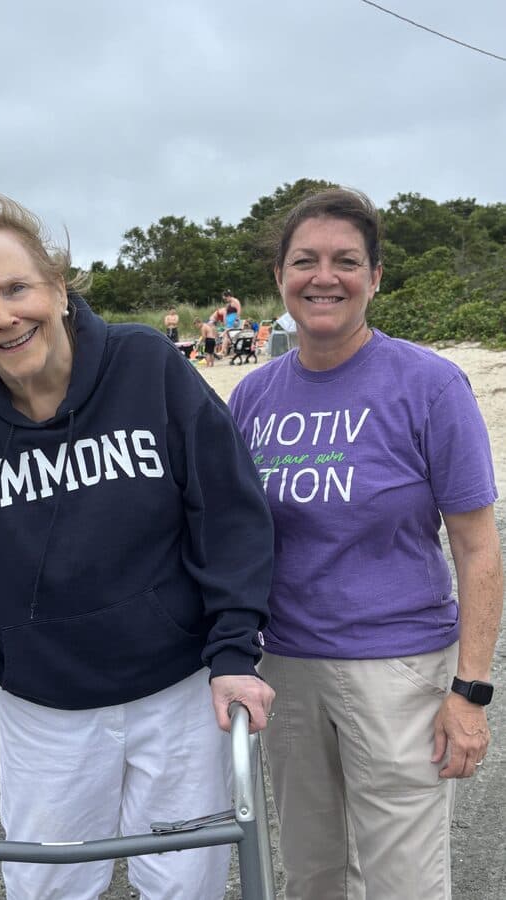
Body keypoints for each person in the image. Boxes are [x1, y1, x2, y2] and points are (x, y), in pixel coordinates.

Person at [0, 192, 276, 900]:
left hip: (179, 688)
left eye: (16, 288)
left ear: (58, 288)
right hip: (41, 706)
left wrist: (232, 650)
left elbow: (227, 514)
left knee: (185, 883)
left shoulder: (147, 367)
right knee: (48, 887)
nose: (3, 316)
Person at [228, 187, 503, 900]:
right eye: (305, 261)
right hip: (285, 669)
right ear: (280, 278)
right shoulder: (253, 398)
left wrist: (469, 693)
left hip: (399, 671)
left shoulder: (428, 385)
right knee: (312, 874)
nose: (324, 277)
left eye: (346, 261)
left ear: (375, 277)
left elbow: (477, 548)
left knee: (401, 882)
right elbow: (231, 536)